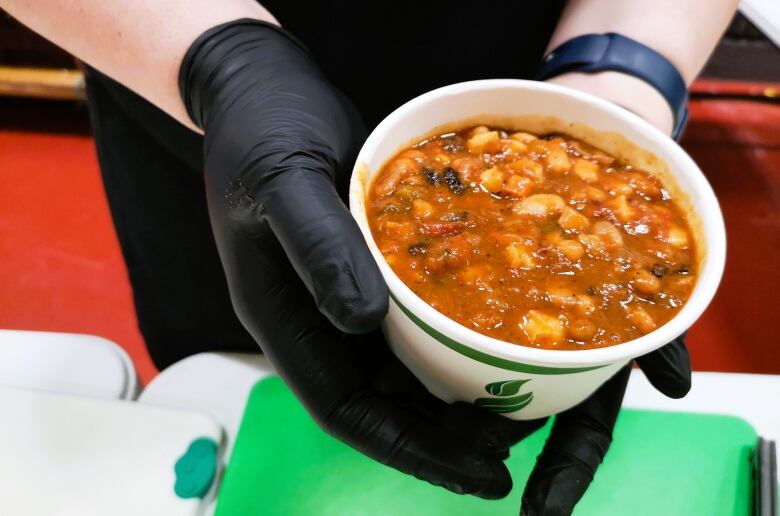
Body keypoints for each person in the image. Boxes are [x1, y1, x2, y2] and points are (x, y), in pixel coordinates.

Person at [2, 1, 736, 514]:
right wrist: (218, 62)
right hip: (173, 63)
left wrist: (618, 78)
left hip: (530, 50)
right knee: (231, 374)